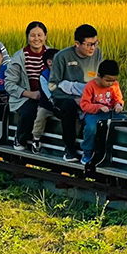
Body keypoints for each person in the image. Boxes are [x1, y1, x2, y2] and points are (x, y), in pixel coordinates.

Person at [49, 24, 103, 162]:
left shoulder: (97, 53)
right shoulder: (62, 57)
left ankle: (97, 151)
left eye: (95, 43)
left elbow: (99, 79)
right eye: (89, 44)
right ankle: (70, 149)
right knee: (69, 108)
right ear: (77, 43)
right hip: (64, 98)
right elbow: (53, 86)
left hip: (89, 96)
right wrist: (74, 99)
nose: (93, 48)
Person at [4, 21, 48, 151]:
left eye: (40, 35)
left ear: (45, 36)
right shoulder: (19, 57)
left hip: (48, 96)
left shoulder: (53, 55)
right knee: (30, 110)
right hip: (25, 97)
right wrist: (30, 94)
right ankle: (20, 139)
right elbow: (9, 84)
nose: (36, 39)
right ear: (27, 37)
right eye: (32, 35)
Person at [79, 59, 126, 164]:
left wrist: (118, 105)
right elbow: (84, 105)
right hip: (93, 114)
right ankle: (87, 152)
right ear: (99, 76)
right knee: (91, 128)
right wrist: (98, 107)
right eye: (108, 80)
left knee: (126, 121)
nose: (110, 83)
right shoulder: (90, 86)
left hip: (109, 113)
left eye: (113, 80)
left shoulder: (115, 85)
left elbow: (118, 99)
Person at [31, 47, 59, 154]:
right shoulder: (44, 75)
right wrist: (53, 100)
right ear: (49, 62)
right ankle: (36, 138)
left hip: (60, 103)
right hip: (47, 104)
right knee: (40, 117)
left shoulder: (63, 73)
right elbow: (47, 91)